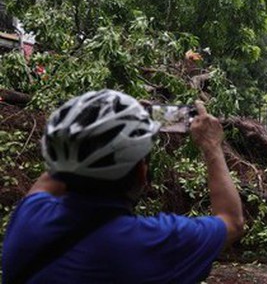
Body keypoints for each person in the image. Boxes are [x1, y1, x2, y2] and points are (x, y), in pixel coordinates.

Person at [2, 90, 244, 283]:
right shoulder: (154, 241)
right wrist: (211, 145)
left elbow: (61, 168)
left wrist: (103, 127)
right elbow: (231, 221)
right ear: (142, 173)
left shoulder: (29, 217)